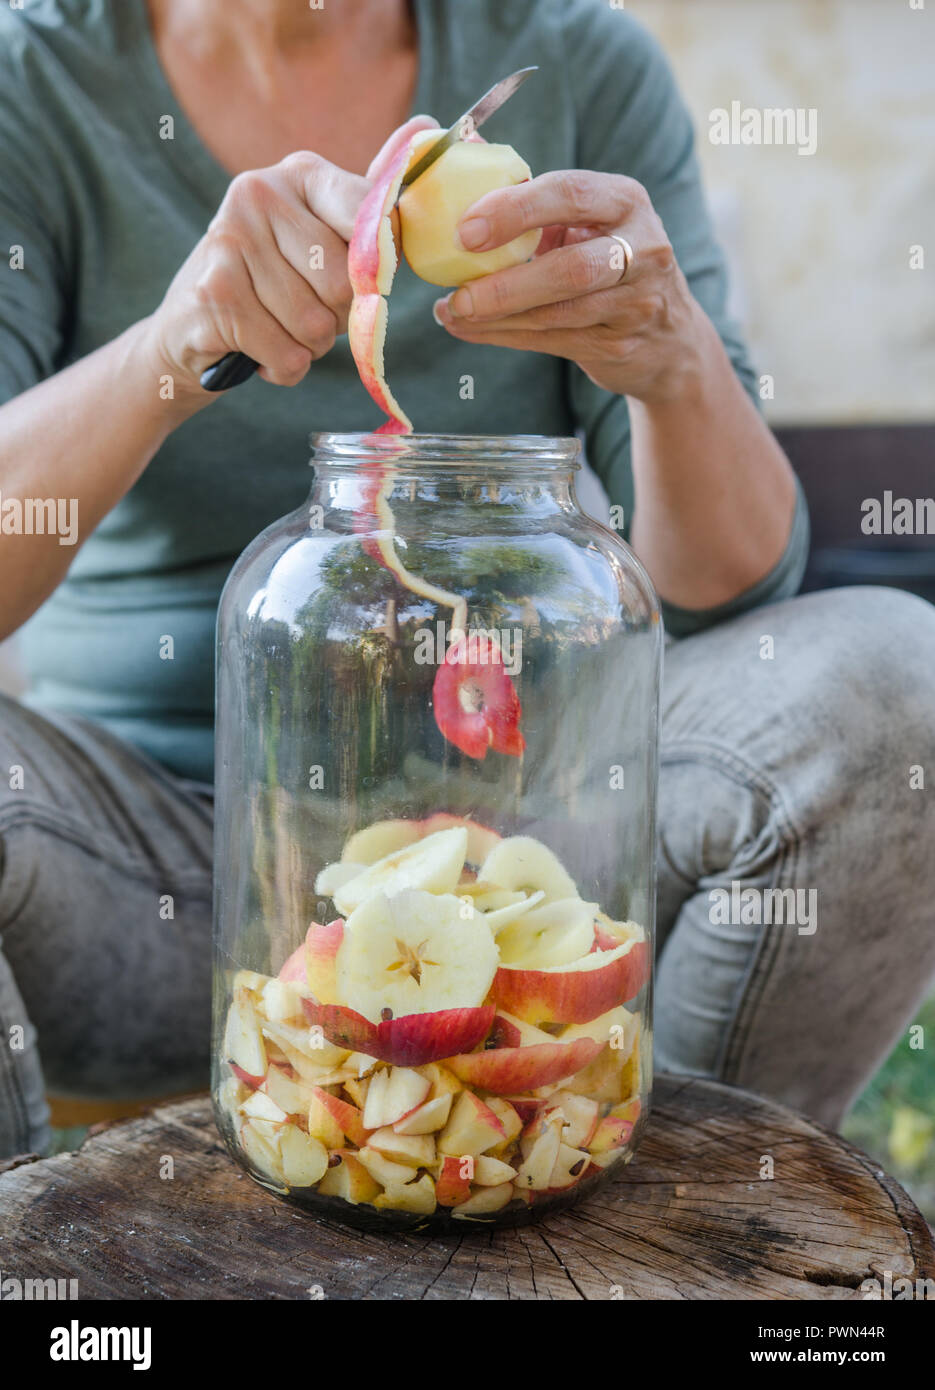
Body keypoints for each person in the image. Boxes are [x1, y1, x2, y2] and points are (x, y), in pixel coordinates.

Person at [0, 0, 932, 1160]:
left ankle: (672, 1232)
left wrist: (674, 363)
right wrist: (166, 350)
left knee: (895, 682)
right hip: (132, 883)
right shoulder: (29, 76)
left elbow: (725, 600)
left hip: (541, 862)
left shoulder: (580, 58)